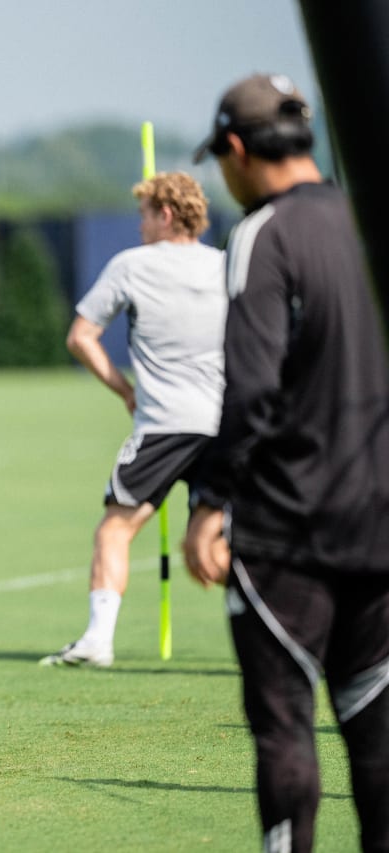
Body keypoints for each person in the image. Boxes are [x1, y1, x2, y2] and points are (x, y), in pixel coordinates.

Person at [184, 73, 389, 853]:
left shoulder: (262, 233)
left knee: (284, 729)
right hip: (379, 523)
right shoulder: (368, 219)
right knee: (375, 737)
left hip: (287, 531)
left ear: (236, 150)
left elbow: (253, 388)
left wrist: (210, 501)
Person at [40, 171, 226, 668]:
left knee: (114, 529)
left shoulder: (132, 265)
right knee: (207, 552)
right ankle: (306, 624)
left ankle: (98, 640)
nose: (139, 225)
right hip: (226, 426)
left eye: (144, 214)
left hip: (165, 424)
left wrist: (124, 390)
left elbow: (81, 337)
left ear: (164, 214)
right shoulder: (225, 266)